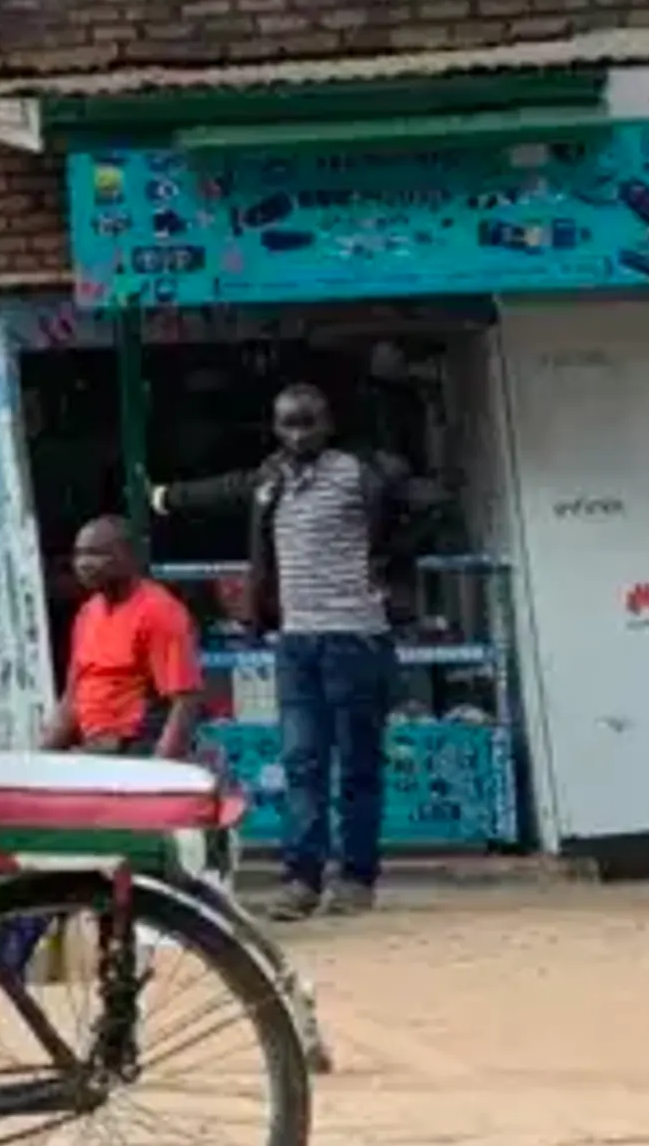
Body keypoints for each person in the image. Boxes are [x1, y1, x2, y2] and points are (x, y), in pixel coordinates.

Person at [150, 381, 450, 922]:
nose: (297, 433)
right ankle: (301, 882)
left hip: (357, 638)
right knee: (303, 763)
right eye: (287, 423)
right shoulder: (272, 478)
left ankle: (356, 879)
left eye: (307, 421)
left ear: (329, 422)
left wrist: (389, 556)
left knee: (357, 765)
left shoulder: (364, 472)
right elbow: (227, 488)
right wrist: (165, 496)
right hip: (296, 644)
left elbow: (435, 501)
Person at [45, 513, 205, 761]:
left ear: (129, 556)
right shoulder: (88, 613)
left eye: (97, 554)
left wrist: (161, 770)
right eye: (79, 554)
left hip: (136, 749)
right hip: (93, 749)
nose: (84, 563)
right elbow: (71, 698)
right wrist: (41, 758)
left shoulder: (159, 611)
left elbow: (184, 702)